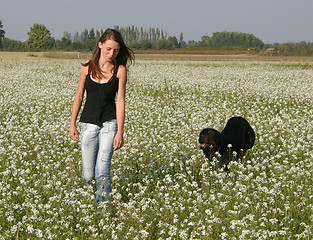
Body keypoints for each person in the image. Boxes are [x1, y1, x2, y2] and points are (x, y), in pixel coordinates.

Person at [69, 28, 134, 206]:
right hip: (88, 124)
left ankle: (103, 211)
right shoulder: (86, 67)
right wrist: (72, 124)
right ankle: (90, 202)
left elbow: (120, 101)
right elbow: (79, 96)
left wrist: (120, 131)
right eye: (108, 49)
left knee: (102, 171)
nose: (111, 53)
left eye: (116, 50)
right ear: (100, 45)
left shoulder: (120, 70)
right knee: (88, 175)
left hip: (109, 125)